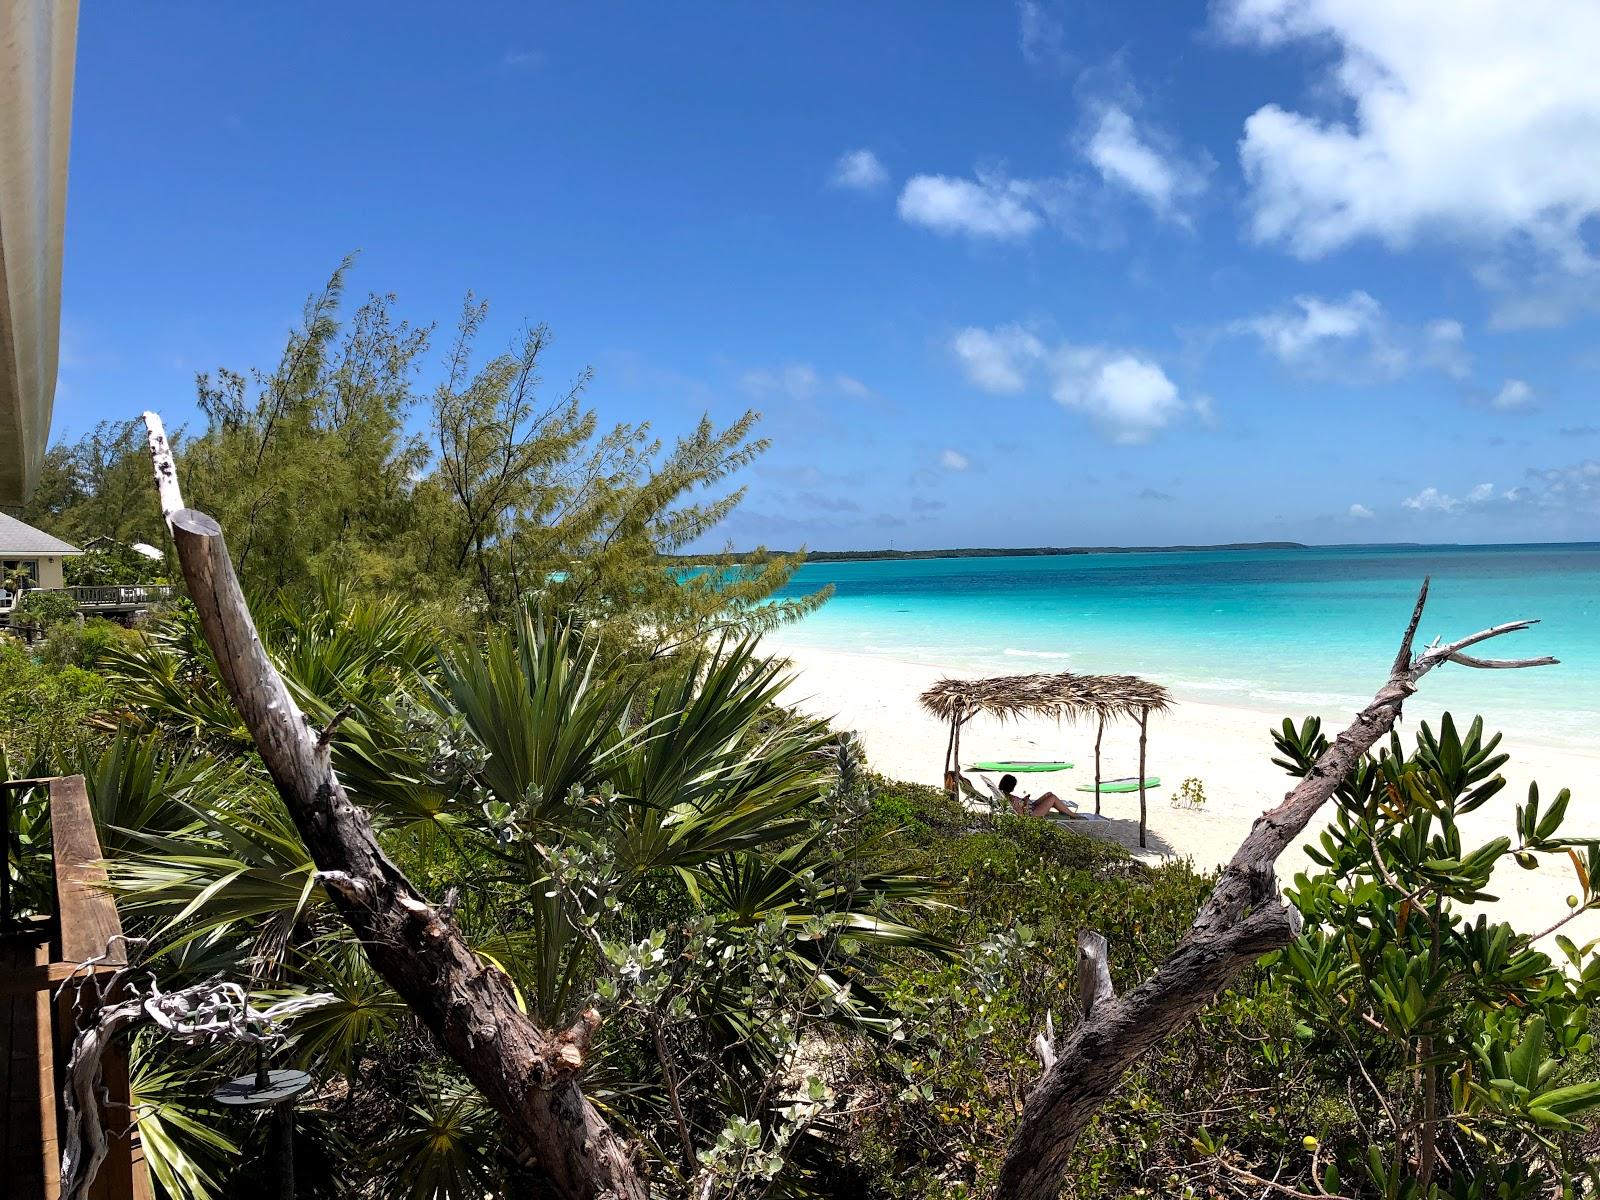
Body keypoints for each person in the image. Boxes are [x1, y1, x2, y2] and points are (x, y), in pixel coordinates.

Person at [998, 773, 1077, 818]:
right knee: (1052, 798)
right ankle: (1072, 815)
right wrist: (1025, 803)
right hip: (1033, 814)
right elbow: (1021, 815)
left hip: (1031, 808)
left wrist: (1024, 801)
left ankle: (1065, 812)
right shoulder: (1011, 799)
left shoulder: (1005, 795)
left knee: (1048, 794)